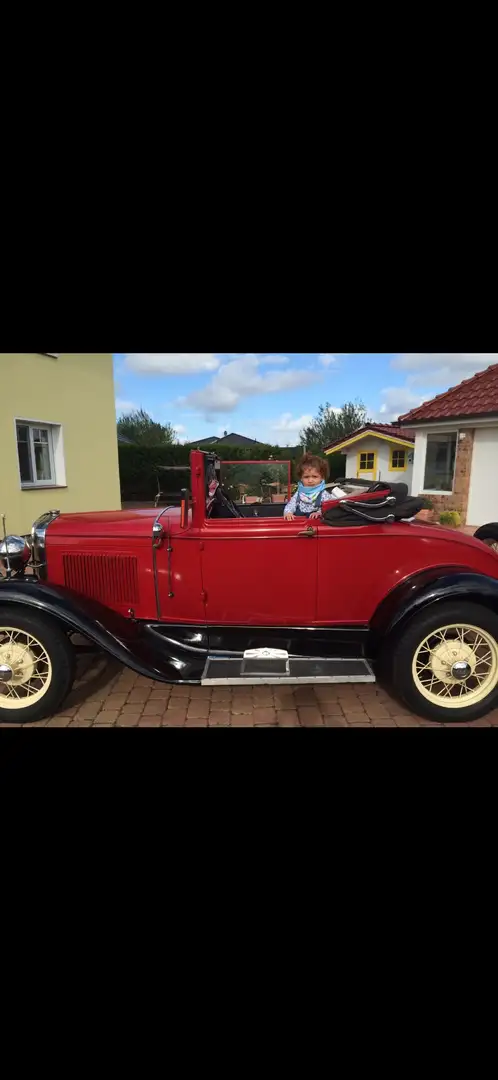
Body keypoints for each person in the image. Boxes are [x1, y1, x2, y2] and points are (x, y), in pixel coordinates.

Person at [284, 453, 346, 521]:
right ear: (301, 478)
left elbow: (329, 508)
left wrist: (319, 512)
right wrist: (288, 513)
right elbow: (290, 505)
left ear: (322, 478)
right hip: (300, 524)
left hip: (315, 524)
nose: (310, 480)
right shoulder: (299, 493)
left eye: (315, 476)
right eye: (306, 477)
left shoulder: (324, 494)